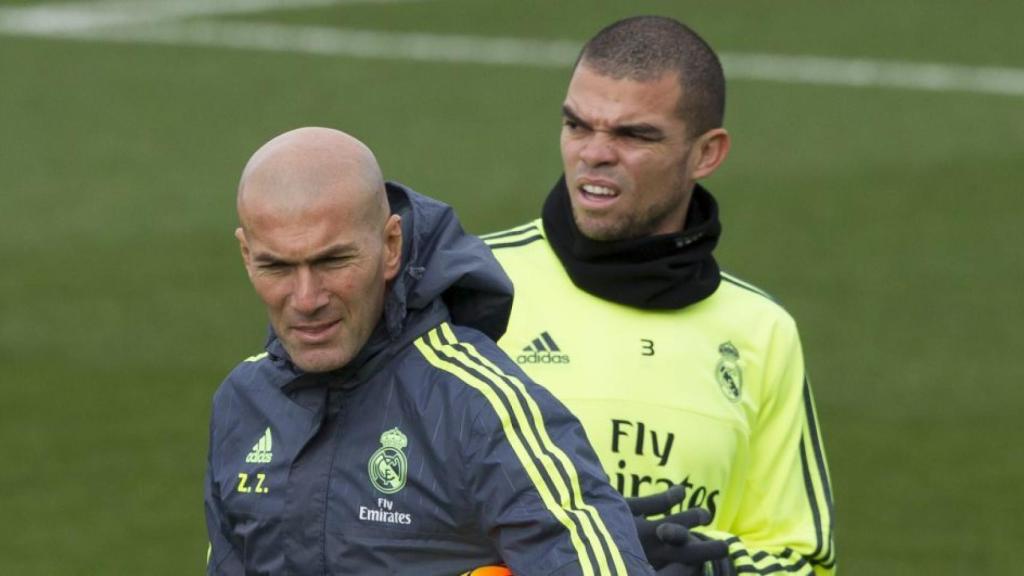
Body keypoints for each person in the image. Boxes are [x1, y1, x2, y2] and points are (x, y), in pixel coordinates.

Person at [204, 127, 655, 575]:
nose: (306, 299)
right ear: (247, 254)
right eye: (276, 266)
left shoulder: (478, 408)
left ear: (391, 246)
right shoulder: (241, 404)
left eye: (332, 261)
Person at [484, 16, 836, 575]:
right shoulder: (475, 285)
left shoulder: (761, 332)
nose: (594, 154)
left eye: (633, 135)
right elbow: (386, 509)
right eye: (578, 126)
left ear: (706, 154)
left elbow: (799, 558)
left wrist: (712, 570)